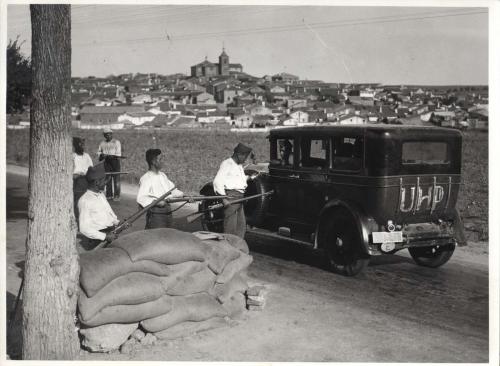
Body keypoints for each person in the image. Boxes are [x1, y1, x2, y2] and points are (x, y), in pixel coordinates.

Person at [213, 143, 254, 238]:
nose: (245, 160)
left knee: (241, 226)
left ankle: (238, 247)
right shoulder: (227, 164)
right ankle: (228, 247)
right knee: (230, 227)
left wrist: (250, 177)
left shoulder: (239, 166)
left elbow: (239, 181)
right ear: (239, 154)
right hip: (231, 198)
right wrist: (223, 199)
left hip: (240, 198)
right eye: (245, 157)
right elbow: (217, 182)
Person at [137, 148, 185, 229]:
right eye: (160, 159)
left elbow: (173, 190)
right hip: (156, 213)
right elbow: (142, 198)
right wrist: (157, 202)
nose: (163, 161)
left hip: (168, 212)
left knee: (168, 236)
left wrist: (184, 196)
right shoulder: (146, 178)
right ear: (153, 162)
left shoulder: (162, 175)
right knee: (156, 237)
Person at [78, 163, 120, 250]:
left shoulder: (101, 195)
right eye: (104, 180)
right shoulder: (85, 200)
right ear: (97, 182)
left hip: (110, 234)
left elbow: (109, 213)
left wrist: (116, 222)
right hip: (98, 240)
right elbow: (84, 228)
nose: (106, 183)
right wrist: (105, 236)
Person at [98, 128, 122, 201]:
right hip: (107, 163)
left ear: (112, 134)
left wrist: (111, 155)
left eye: (109, 134)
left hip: (115, 162)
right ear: (104, 135)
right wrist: (102, 155)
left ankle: (117, 196)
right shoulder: (102, 143)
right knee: (108, 179)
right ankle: (109, 195)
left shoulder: (116, 142)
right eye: (106, 134)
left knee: (116, 179)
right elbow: (99, 152)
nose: (108, 136)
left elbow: (118, 153)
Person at [73, 137, 93, 220]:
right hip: (76, 180)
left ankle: (86, 219)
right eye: (80, 144)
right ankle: (77, 218)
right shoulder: (73, 156)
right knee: (77, 200)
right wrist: (76, 174)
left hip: (86, 179)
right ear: (75, 146)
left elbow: (91, 168)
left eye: (83, 144)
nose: (82, 146)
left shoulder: (87, 156)